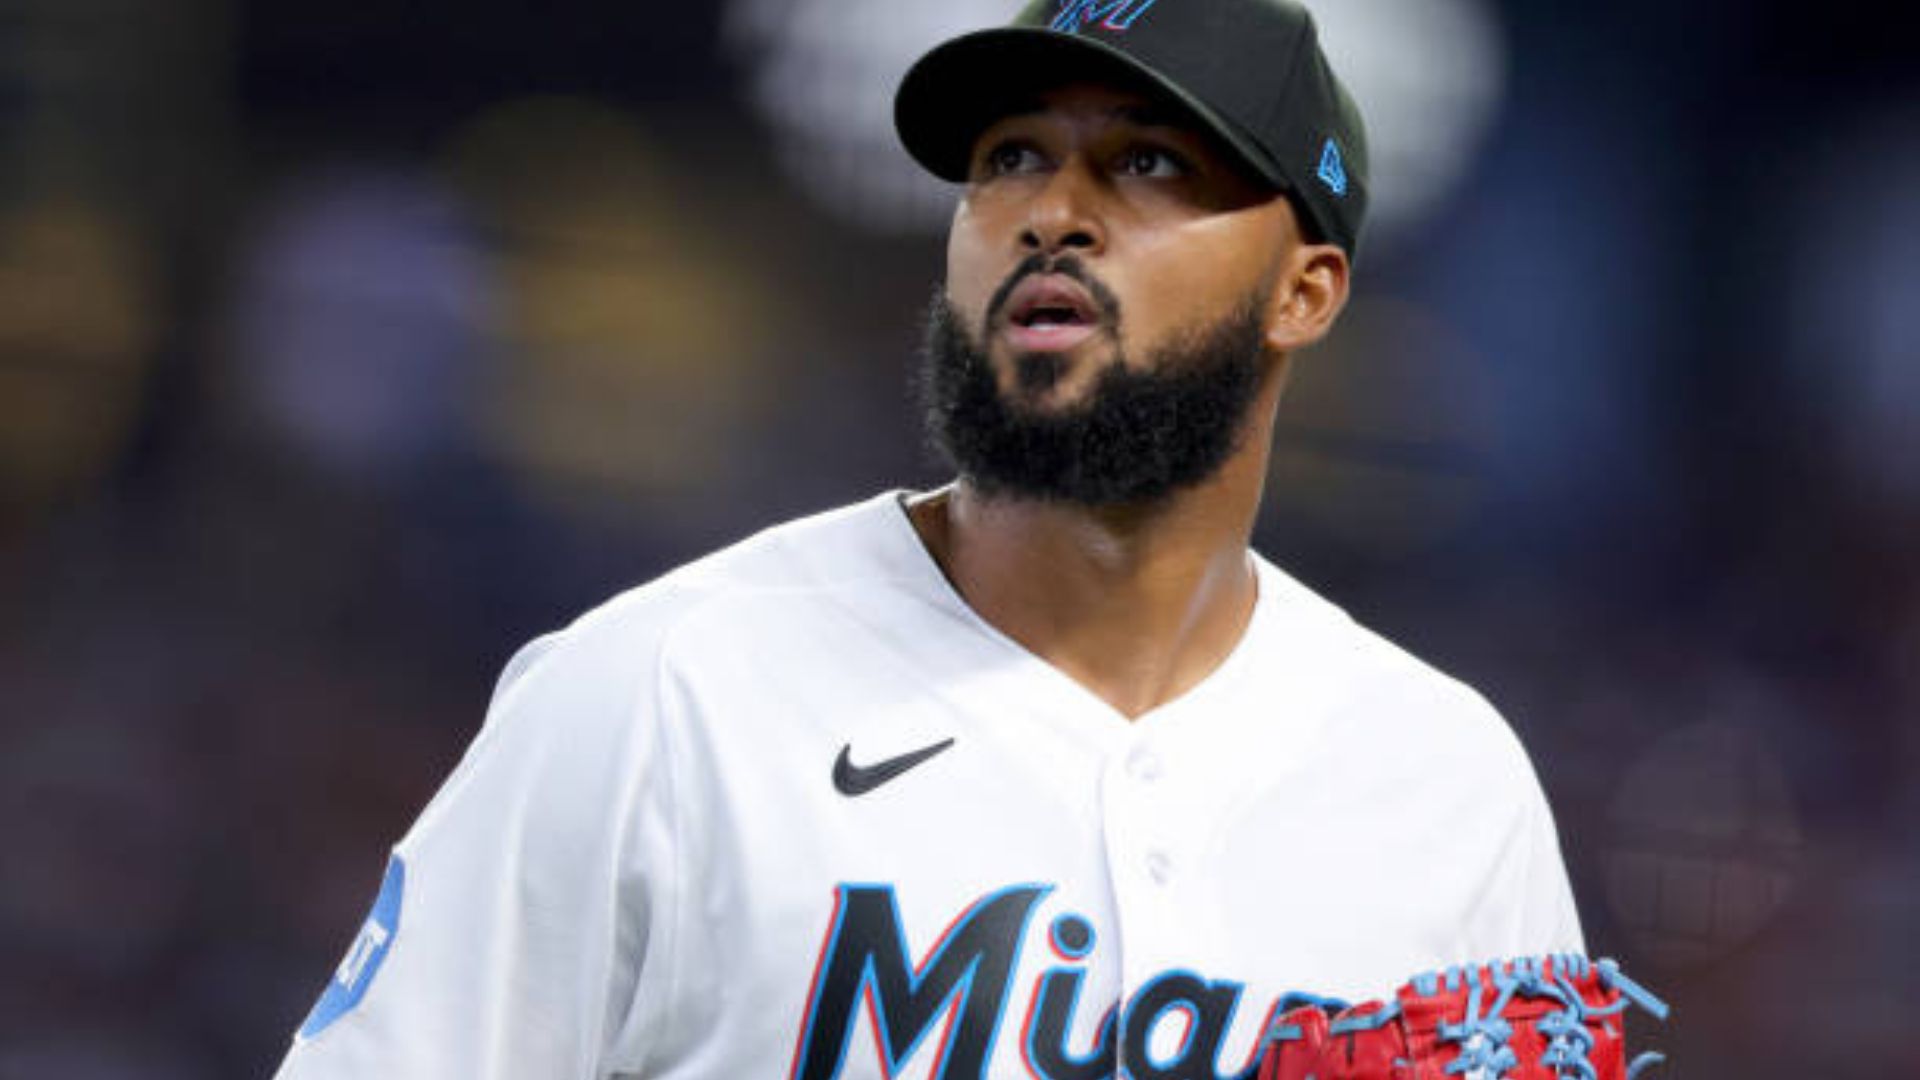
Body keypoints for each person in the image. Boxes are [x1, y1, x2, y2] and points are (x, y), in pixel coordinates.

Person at [273, 1, 1583, 1077]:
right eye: (1010, 158)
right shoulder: (661, 694)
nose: (1051, 211)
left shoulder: (1451, 785)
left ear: (1305, 291)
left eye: (1148, 164)